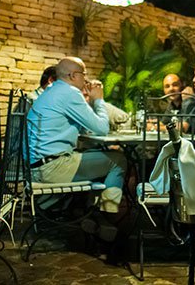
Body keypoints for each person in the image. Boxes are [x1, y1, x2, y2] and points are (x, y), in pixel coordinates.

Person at [26, 57, 127, 213]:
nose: (85, 78)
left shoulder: (52, 90)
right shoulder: (70, 93)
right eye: (83, 74)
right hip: (52, 168)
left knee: (96, 156)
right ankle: (107, 217)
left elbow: (85, 128)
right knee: (118, 160)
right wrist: (98, 100)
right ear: (73, 75)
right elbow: (102, 129)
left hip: (34, 168)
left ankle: (89, 214)